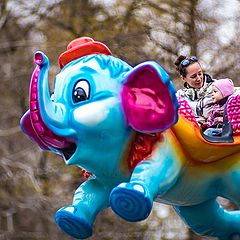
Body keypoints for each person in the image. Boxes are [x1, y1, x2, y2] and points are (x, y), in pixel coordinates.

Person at [175, 55, 214, 125]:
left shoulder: (217, 87)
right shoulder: (180, 96)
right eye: (193, 76)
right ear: (183, 78)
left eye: (200, 73)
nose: (199, 78)